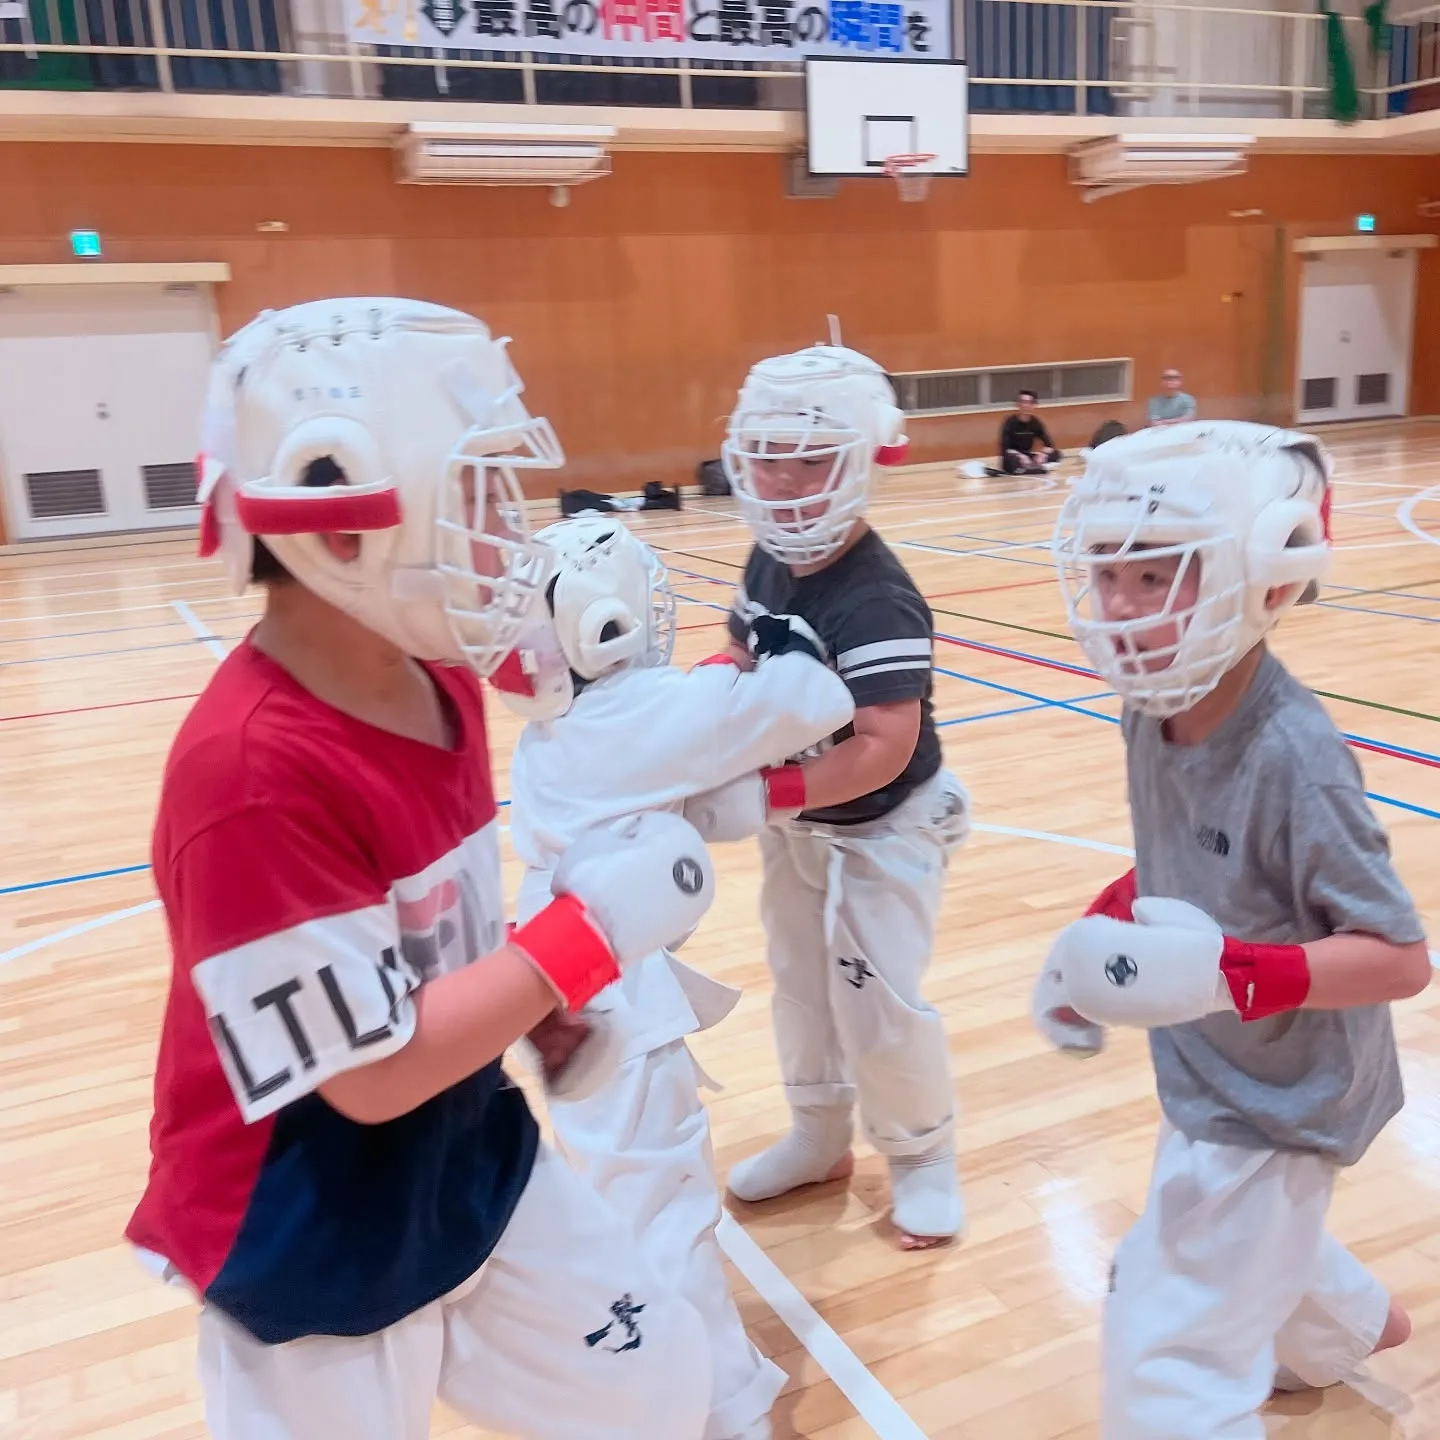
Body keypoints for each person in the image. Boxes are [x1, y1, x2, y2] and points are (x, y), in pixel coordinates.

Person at [123, 298, 719, 1440]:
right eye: (480, 493)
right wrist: (579, 940)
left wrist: (523, 1011)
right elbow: (367, 1076)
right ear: (342, 532)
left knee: (654, 1386)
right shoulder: (247, 773)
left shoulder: (435, 678)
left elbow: (425, 943)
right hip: (307, 1228)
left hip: (465, 1148)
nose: (511, 532)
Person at [1035, 420, 1430, 1437]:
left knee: (1166, 1346)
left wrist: (1226, 976)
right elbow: (1187, 858)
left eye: (1156, 575)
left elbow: (1398, 959)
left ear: (1259, 576)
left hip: (1285, 1094)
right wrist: (1094, 937)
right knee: (1231, 1241)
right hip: (1215, 1064)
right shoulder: (1148, 703)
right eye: (1106, 574)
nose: (1121, 609)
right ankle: (1344, 1326)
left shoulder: (1295, 755)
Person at [498, 515, 857, 1440]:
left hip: (571, 981)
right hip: (609, 990)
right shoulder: (638, 713)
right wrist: (779, 639)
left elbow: (691, 769)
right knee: (664, 1216)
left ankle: (712, 1387)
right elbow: (814, 701)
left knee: (640, 1201)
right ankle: (709, 1412)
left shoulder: (562, 728)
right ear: (598, 623)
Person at [684, 343, 972, 1251]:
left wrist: (765, 790)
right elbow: (741, 651)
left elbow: (882, 749)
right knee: (802, 983)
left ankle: (922, 1154)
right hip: (801, 819)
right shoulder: (769, 559)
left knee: (874, 993)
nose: (784, 478)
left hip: (886, 823)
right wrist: (689, 704)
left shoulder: (876, 598)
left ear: (861, 461)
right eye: (767, 454)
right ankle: (819, 1133)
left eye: (811, 457)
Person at [999, 389, 1062, 474]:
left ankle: (1030, 468)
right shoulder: (1009, 422)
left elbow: (1049, 445)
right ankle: (1033, 468)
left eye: (1030, 402)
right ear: (1018, 404)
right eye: (1024, 402)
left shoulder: (1035, 422)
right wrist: (1020, 456)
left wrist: (1042, 455)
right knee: (1010, 460)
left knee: (1057, 453)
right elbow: (1006, 449)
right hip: (1014, 456)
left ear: (1033, 405)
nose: (1026, 405)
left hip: (1028, 457)